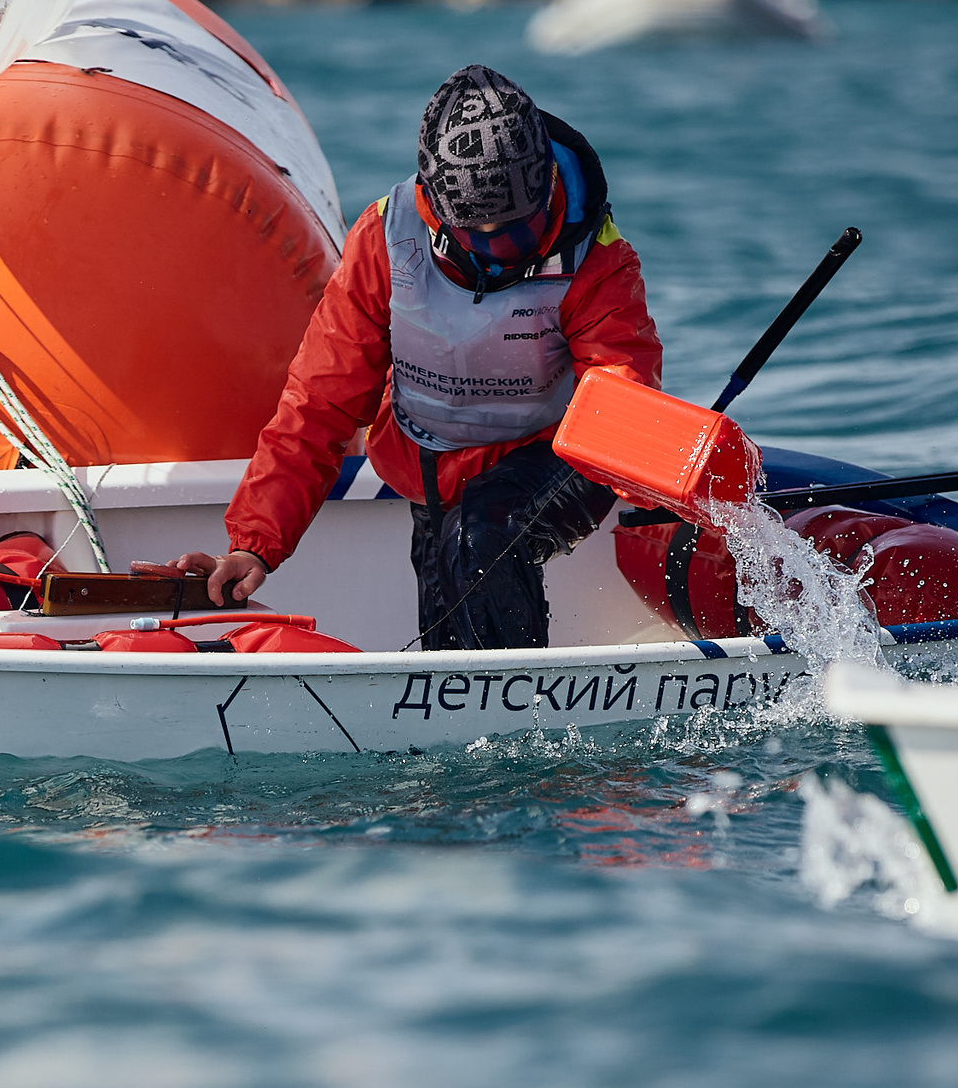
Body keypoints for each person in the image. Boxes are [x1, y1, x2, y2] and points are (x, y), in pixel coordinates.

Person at [158, 65, 662, 650]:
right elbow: (319, 403)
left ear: (547, 184)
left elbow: (623, 399)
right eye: (478, 234)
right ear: (436, 210)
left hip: (555, 463)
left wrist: (661, 507)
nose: (498, 253)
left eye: (516, 232)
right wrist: (253, 544)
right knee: (449, 630)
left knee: (485, 534)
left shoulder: (598, 259)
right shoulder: (384, 240)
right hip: (431, 477)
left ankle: (517, 716)